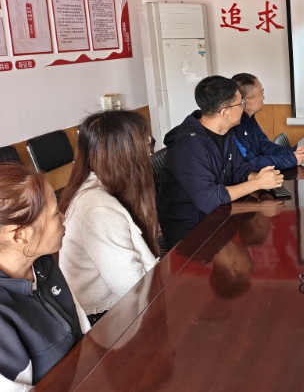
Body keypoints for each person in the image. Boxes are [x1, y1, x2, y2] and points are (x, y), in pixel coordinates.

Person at [157, 75, 284, 250]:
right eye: (241, 103)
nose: (243, 107)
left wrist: (260, 178)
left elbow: (239, 169)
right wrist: (257, 184)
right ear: (225, 113)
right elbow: (209, 199)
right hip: (192, 234)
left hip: (218, 216)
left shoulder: (224, 131)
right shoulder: (189, 145)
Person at [58, 111, 159, 324]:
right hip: (106, 320)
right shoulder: (98, 209)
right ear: (125, 154)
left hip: (119, 307)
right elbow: (133, 288)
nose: (149, 151)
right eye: (147, 143)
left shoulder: (100, 186)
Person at [0, 164, 91, 388]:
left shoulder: (43, 264)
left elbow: (84, 329)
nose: (63, 218)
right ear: (20, 235)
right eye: (54, 214)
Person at [231, 73, 304, 170]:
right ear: (248, 100)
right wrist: (291, 159)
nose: (263, 98)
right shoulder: (235, 124)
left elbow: (265, 146)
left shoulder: (250, 118)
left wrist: (292, 151)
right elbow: (250, 163)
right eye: (262, 93)